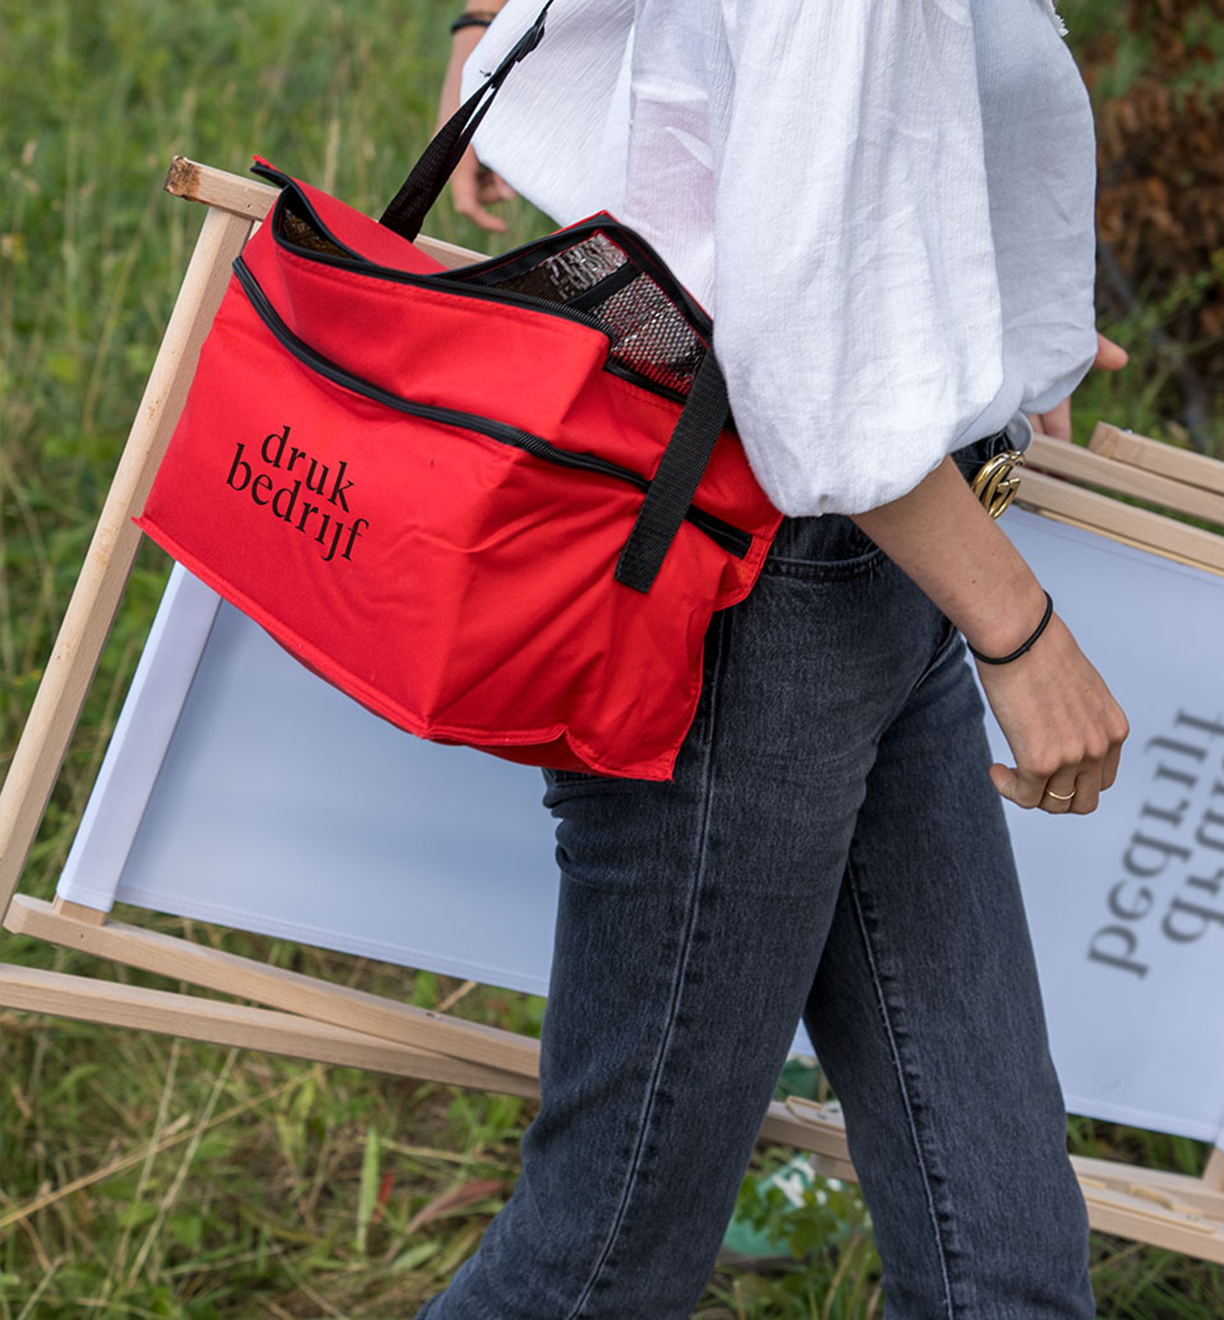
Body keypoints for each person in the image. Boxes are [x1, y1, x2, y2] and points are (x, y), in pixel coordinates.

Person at [416, 3, 1129, 1317]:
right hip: (766, 582)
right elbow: (810, 371)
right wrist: (1023, 638)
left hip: (877, 562)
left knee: (1004, 1245)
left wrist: (998, 338)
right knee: (604, 1261)